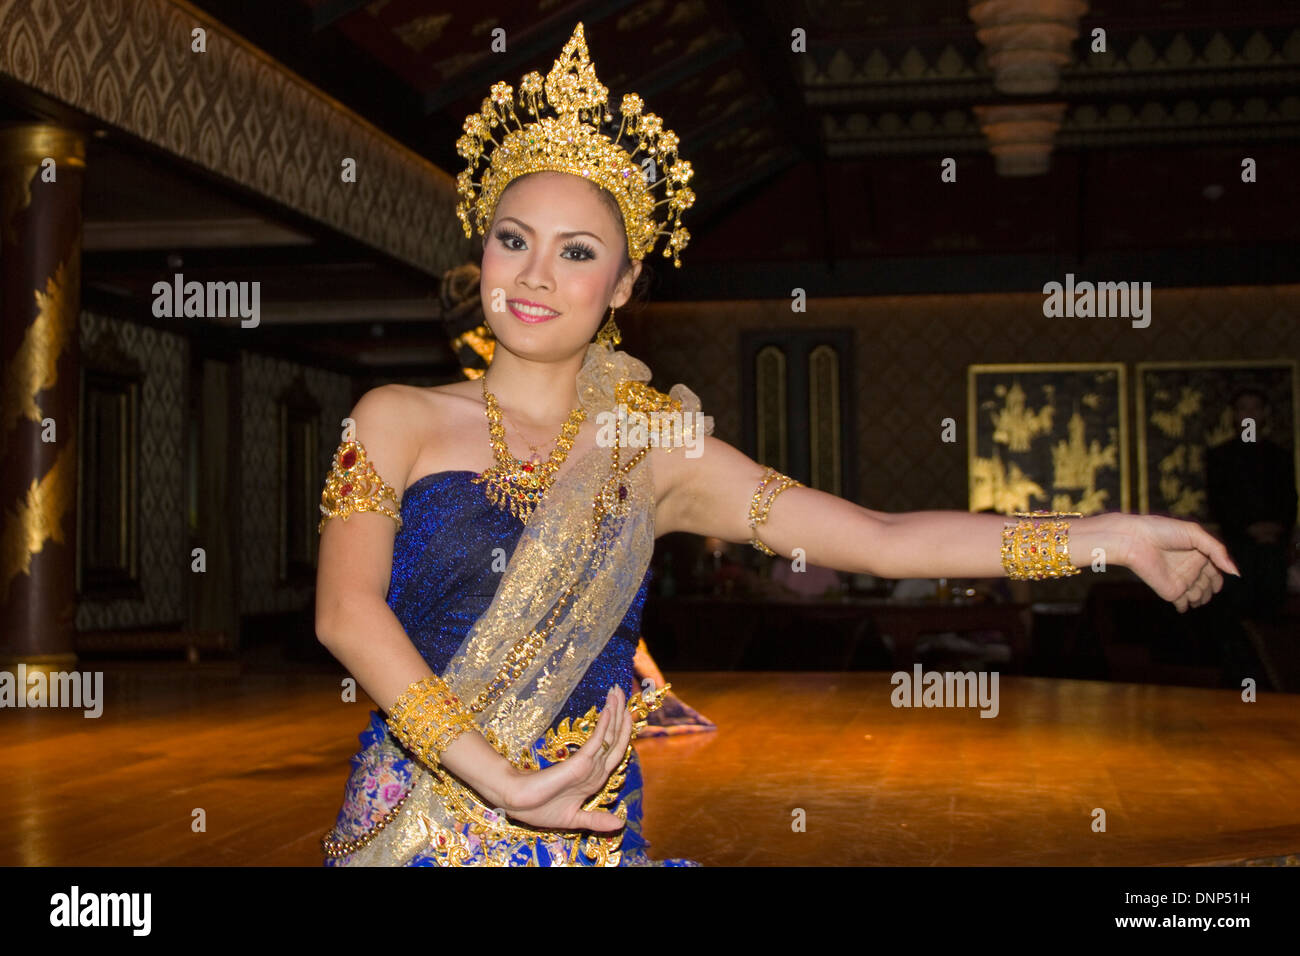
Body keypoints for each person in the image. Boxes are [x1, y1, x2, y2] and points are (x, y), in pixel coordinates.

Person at [314, 22, 1241, 867]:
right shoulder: (393, 417)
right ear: (481, 251)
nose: (535, 275)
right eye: (513, 240)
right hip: (413, 828)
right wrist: (496, 778)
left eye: (578, 252)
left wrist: (1102, 537)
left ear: (625, 284)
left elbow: (880, 539)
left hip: (583, 834)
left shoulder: (656, 454)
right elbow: (347, 616)